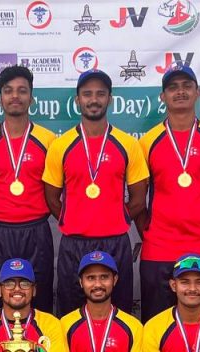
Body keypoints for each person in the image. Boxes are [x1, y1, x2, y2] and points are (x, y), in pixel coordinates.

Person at [43, 69, 149, 315]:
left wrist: (116, 219)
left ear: (109, 99)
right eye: (87, 94)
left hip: (115, 242)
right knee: (70, 315)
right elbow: (51, 197)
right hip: (74, 244)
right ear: (77, 100)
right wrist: (73, 219)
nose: (94, 99)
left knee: (119, 313)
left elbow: (138, 199)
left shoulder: (128, 144)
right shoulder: (60, 146)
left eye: (100, 94)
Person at [138, 65, 200, 320]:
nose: (180, 92)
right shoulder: (147, 142)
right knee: (157, 326)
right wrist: (149, 232)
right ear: (163, 96)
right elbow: (138, 197)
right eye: (173, 87)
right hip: (159, 249)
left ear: (197, 92)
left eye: (186, 86)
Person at [0, 66, 57, 313]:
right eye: (8, 91)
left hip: (36, 232)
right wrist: (1, 211)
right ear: (0, 98)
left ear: (31, 97)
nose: (15, 96)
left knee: (39, 300)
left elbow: (54, 189)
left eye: (22, 90)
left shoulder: (49, 141)